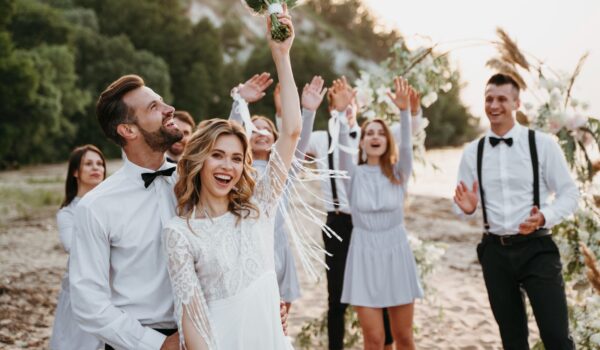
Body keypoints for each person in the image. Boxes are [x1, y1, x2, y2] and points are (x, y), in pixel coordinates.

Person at [162, 7, 300, 348]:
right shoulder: (179, 232)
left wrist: (281, 55)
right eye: (218, 155)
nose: (228, 166)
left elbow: (293, 132)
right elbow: (191, 318)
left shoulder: (259, 207)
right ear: (198, 159)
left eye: (237, 158)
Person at [453, 73, 580, 350]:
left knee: (557, 337)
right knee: (512, 341)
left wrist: (544, 216)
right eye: (489, 99)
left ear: (516, 103)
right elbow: (460, 206)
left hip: (537, 249)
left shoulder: (543, 144)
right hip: (495, 252)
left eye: (502, 99)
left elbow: (570, 194)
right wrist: (468, 208)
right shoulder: (472, 152)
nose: (494, 105)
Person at [69, 73, 183, 350]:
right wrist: (156, 344)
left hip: (207, 334)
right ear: (128, 130)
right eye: (154, 107)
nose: (169, 109)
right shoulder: (96, 207)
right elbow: (88, 301)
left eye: (162, 102)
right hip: (137, 342)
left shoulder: (196, 183)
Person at [337, 77, 423, 350]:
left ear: (388, 141)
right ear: (360, 142)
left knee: (404, 337)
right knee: (373, 339)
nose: (375, 137)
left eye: (381, 132)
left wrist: (404, 112)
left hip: (396, 251)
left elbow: (408, 146)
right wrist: (341, 114)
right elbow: (340, 150)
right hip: (363, 252)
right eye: (369, 133)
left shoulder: (399, 173)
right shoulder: (353, 174)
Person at [230, 74, 328, 311]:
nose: (261, 132)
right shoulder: (235, 170)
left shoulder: (284, 170)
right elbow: (228, 132)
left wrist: (309, 111)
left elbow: (299, 140)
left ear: (276, 139)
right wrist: (239, 102)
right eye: (254, 129)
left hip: (278, 249)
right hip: (243, 248)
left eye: (266, 130)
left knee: (280, 323)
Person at [50, 145, 106, 350]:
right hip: (81, 290)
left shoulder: (111, 206)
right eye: (88, 164)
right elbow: (72, 246)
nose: (96, 168)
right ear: (75, 172)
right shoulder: (68, 212)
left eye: (100, 163)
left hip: (113, 289)